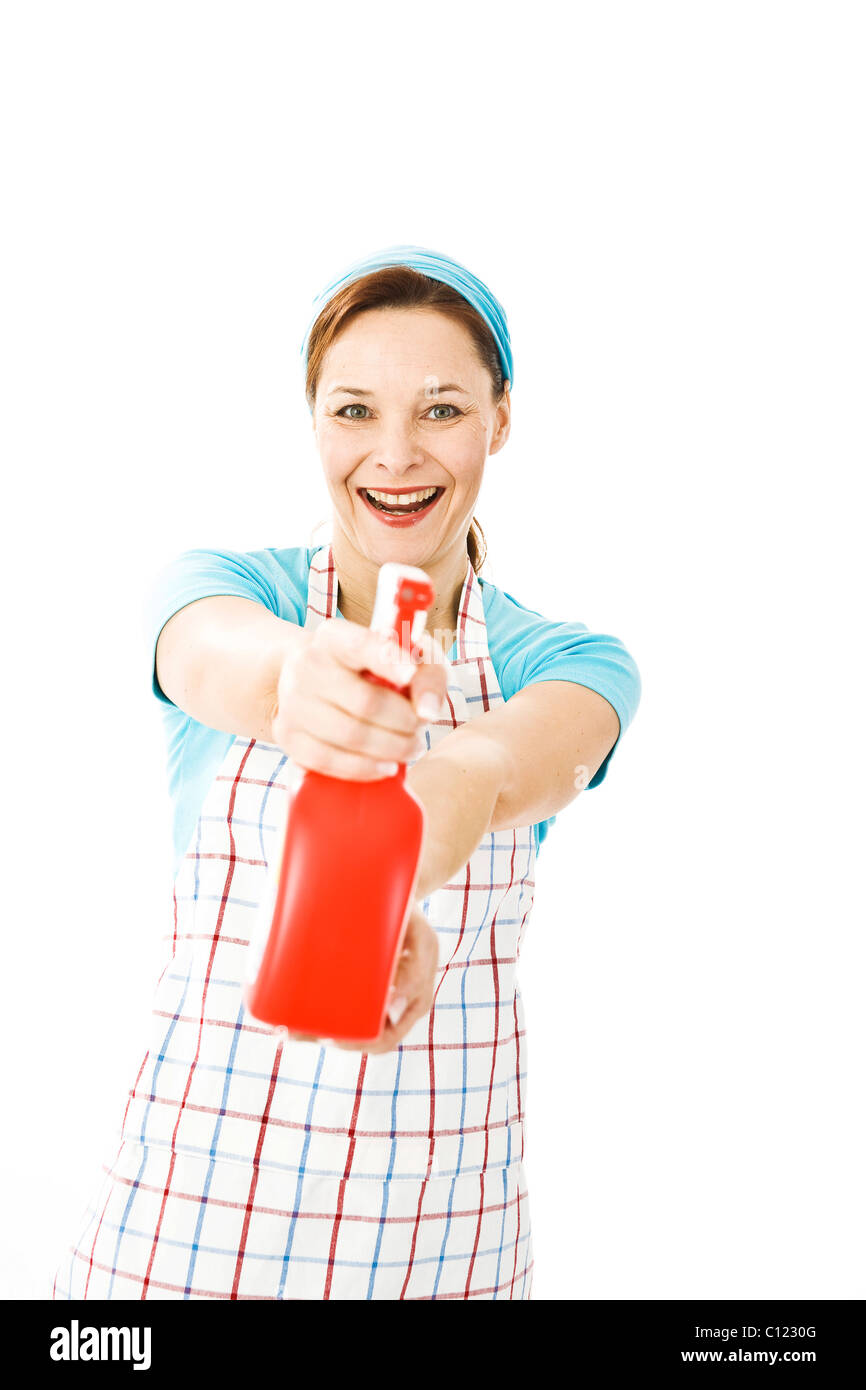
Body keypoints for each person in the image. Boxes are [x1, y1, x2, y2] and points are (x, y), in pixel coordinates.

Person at [52, 244, 641, 1301]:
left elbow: (490, 769)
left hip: (442, 1250)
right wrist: (296, 687)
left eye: (442, 410)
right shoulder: (224, 592)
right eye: (355, 411)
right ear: (314, 420)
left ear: (501, 420)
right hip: (174, 1251)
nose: (396, 456)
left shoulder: (573, 665)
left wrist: (385, 877)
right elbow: (215, 657)